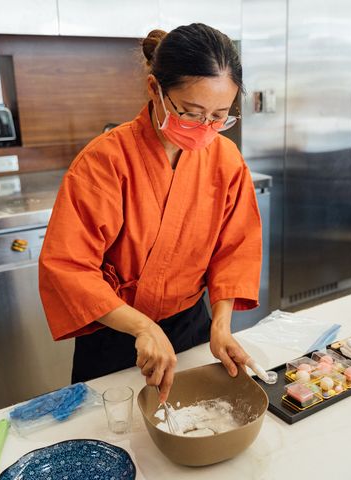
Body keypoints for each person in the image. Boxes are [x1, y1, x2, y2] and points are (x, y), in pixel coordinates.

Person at [39, 23, 262, 403]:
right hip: (116, 333)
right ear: (155, 90)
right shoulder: (104, 161)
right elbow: (69, 265)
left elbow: (235, 249)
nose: (206, 129)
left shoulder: (226, 159)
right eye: (191, 113)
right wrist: (141, 326)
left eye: (219, 116)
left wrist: (221, 326)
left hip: (192, 327)